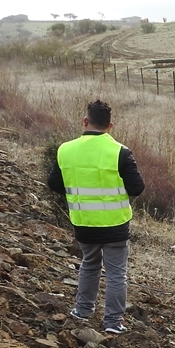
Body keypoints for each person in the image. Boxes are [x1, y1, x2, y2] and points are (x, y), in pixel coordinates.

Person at [48, 100, 145, 334]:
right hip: (115, 225)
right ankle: (112, 323)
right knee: (116, 273)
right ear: (110, 126)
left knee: (89, 265)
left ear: (85, 121)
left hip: (83, 222)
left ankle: (82, 311)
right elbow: (137, 188)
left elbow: (54, 183)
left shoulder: (65, 150)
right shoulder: (120, 152)